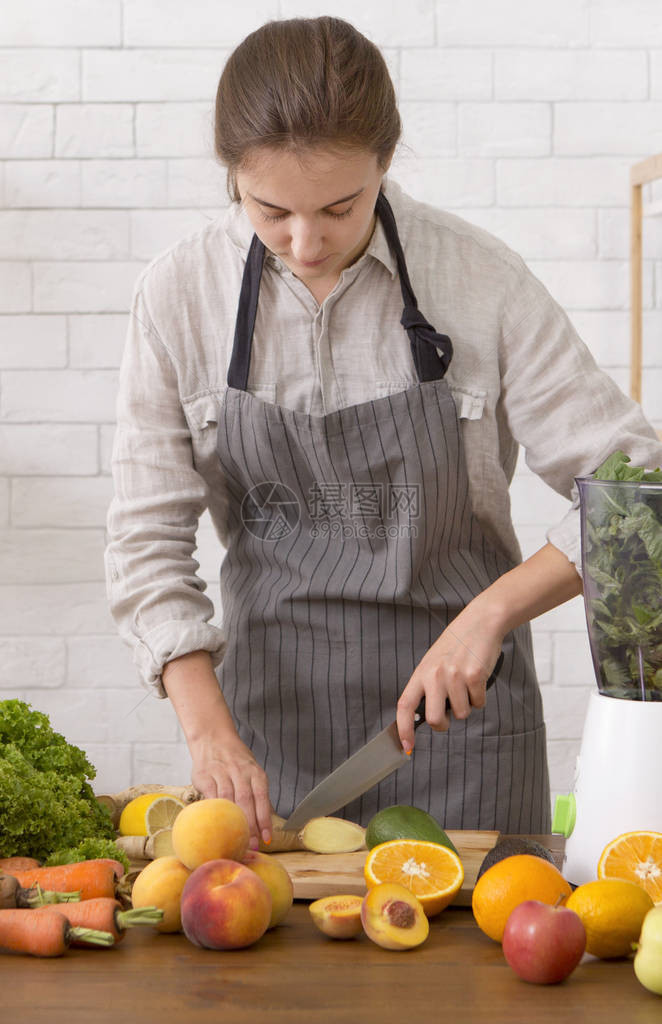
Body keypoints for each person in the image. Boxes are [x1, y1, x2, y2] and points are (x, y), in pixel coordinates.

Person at [105, 16, 662, 849]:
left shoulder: (479, 279)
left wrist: (491, 615)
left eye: (340, 206)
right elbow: (147, 540)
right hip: (270, 749)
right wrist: (208, 733)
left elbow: (638, 484)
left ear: (386, 165)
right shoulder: (178, 296)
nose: (305, 242)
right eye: (269, 209)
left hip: (465, 741)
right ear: (233, 178)